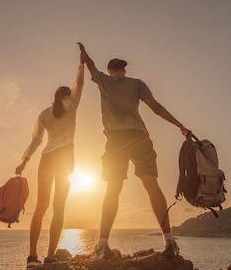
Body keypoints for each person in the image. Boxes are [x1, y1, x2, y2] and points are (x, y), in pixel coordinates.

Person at [77, 42, 190, 258]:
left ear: (110, 71)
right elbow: (156, 108)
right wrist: (180, 126)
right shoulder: (137, 84)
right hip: (139, 137)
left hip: (116, 140)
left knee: (112, 190)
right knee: (151, 185)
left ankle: (102, 245)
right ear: (124, 70)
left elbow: (91, 66)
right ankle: (169, 241)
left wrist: (84, 54)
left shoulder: (104, 81)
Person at [15, 49, 85, 268]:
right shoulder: (72, 106)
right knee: (59, 208)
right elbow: (79, 84)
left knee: (40, 207)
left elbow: (36, 140)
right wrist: (81, 64)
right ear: (67, 95)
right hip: (65, 159)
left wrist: (25, 160)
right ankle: (51, 257)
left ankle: (32, 257)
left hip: (46, 159)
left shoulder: (45, 113)